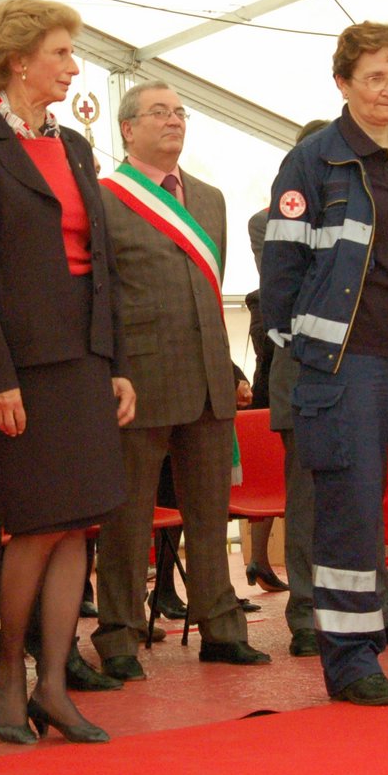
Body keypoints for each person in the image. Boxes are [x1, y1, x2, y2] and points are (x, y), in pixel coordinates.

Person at [0, 0, 133, 745]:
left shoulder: (77, 146)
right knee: (34, 526)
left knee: (79, 519)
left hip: (82, 361)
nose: (72, 67)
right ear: (19, 61)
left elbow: (100, 262)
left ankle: (53, 681)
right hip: (21, 366)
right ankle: (6, 670)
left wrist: (110, 360)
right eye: (60, 54)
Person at [261, 20, 388, 707]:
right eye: (375, 76)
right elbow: (281, 268)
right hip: (350, 365)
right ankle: (352, 661)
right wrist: (306, 348)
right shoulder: (310, 162)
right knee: (350, 510)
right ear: (343, 82)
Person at [93, 82, 267, 679]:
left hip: (209, 376)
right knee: (128, 516)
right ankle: (118, 633)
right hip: (138, 378)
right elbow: (99, 294)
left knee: (211, 512)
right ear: (127, 129)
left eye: (180, 112)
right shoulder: (104, 197)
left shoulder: (211, 199)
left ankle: (221, 625)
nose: (173, 121)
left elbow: (208, 290)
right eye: (158, 113)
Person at [247, 120, 388, 657]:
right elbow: (294, 281)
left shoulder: (380, 211)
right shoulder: (270, 219)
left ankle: (377, 606)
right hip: (305, 377)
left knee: (366, 498)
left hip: (370, 374)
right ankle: (305, 613)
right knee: (310, 501)